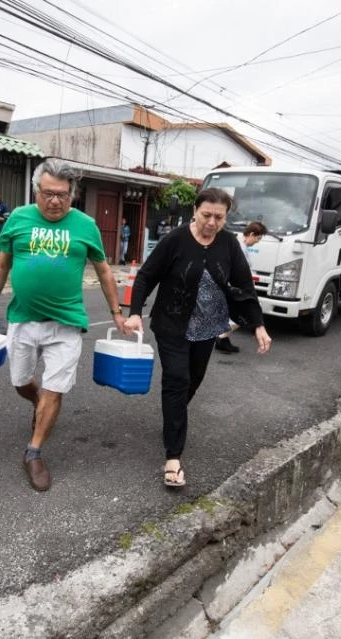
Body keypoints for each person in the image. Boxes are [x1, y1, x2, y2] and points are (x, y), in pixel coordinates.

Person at [0, 158, 127, 492]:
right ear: (37, 192)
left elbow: (103, 270)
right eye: (48, 193)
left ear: (72, 195)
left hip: (67, 323)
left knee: (55, 388)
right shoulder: (17, 218)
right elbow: (1, 266)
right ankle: (37, 402)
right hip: (23, 319)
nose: (54, 201)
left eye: (61, 194)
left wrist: (116, 312)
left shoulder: (85, 225)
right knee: (20, 382)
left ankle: (33, 452)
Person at [124, 188, 272, 488]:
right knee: (176, 380)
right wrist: (136, 311)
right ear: (195, 211)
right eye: (207, 215)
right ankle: (173, 456)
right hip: (171, 325)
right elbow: (146, 276)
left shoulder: (229, 243)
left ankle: (173, 418)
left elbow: (244, 285)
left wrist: (257, 324)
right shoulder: (175, 240)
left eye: (219, 217)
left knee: (192, 381)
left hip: (207, 328)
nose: (212, 222)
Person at [216, 220, 268, 353]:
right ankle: (221, 335)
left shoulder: (239, 245)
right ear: (251, 234)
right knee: (244, 312)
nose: (257, 241)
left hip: (235, 288)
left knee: (232, 313)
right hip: (236, 289)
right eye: (258, 238)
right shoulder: (239, 248)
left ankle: (223, 339)